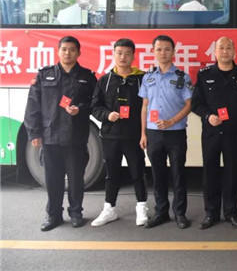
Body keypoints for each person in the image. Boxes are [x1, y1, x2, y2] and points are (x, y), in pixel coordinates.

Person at [24, 36, 97, 231]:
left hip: (76, 137)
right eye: (64, 49)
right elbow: (33, 105)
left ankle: (76, 213)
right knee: (53, 180)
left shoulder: (87, 76)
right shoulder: (44, 75)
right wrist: (34, 133)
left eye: (72, 49)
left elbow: (95, 103)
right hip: (51, 137)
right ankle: (53, 215)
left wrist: (80, 109)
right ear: (58, 51)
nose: (67, 53)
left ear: (78, 53)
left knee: (76, 179)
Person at [192, 37, 237, 229]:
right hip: (211, 132)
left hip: (233, 133)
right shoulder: (204, 74)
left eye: (228, 48)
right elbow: (196, 104)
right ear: (215, 52)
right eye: (221, 48)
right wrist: (208, 116)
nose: (225, 51)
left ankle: (231, 212)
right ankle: (211, 213)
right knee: (210, 173)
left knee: (232, 173)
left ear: (234, 51)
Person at [90, 38, 148, 227]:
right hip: (110, 135)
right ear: (114, 54)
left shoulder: (141, 79)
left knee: (137, 172)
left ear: (133, 56)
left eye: (127, 53)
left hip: (133, 136)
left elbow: (148, 107)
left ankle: (142, 206)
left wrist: (144, 133)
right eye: (119, 53)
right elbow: (95, 107)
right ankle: (109, 209)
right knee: (112, 174)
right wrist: (107, 115)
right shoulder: (105, 80)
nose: (123, 57)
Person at [139, 35, 193, 229]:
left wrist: (172, 121)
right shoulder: (148, 77)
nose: (163, 53)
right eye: (159, 49)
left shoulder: (182, 77)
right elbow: (144, 106)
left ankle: (180, 213)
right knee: (157, 174)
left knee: (178, 174)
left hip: (175, 133)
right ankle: (161, 212)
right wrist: (143, 133)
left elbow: (189, 104)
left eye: (167, 49)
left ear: (173, 52)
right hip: (153, 134)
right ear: (153, 51)